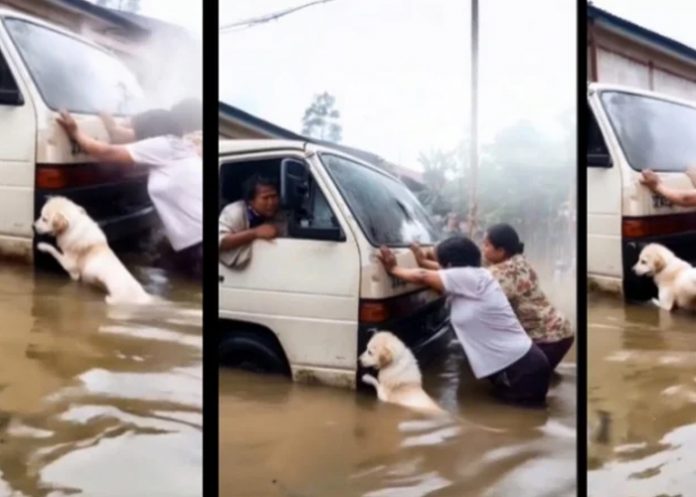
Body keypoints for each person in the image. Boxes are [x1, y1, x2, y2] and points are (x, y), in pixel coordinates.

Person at [379, 236, 551, 406]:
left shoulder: (469, 278)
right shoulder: (474, 277)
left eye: (441, 263)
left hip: (522, 370)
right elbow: (436, 272)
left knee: (514, 425)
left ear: (451, 266)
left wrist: (393, 268)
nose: (439, 269)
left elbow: (424, 275)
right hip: (523, 365)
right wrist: (422, 259)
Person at [56, 108, 202, 278]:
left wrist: (75, 132)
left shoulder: (161, 145)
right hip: (194, 241)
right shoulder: (179, 146)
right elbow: (120, 136)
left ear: (150, 130)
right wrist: (105, 116)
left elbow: (105, 152)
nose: (134, 134)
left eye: (138, 130)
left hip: (198, 243)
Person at [481, 224, 574, 371]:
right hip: (562, 332)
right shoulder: (519, 261)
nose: (483, 249)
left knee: (518, 380)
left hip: (546, 339)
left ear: (500, 251)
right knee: (542, 378)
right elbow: (475, 269)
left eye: (486, 245)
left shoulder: (502, 272)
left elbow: (472, 288)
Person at [219, 175, 287, 269]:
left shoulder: (281, 213)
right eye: (265, 198)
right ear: (251, 201)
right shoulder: (234, 212)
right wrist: (255, 233)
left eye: (274, 196)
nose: (271, 202)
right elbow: (221, 242)